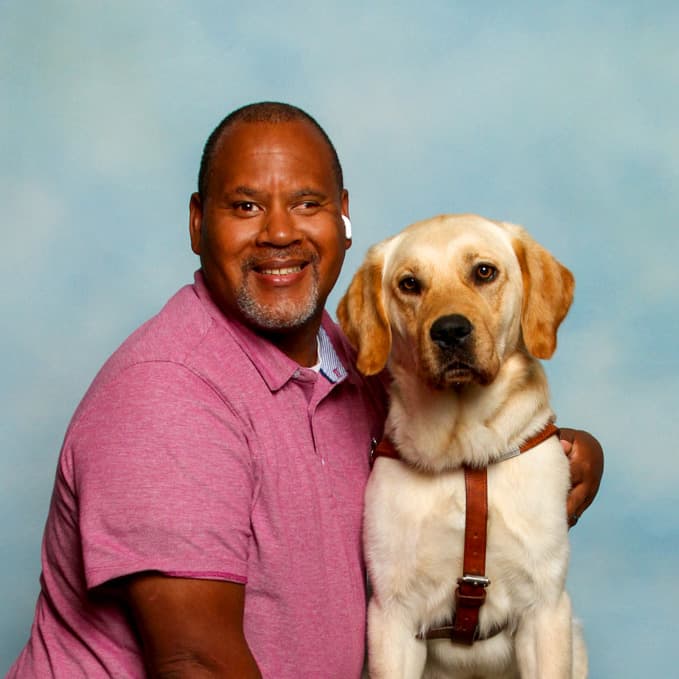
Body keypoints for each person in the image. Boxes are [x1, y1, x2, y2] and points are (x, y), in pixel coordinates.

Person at [8, 102, 603, 679]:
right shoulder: (166, 399)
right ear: (196, 223)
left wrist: (563, 453)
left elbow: (450, 451)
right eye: (245, 206)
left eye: (307, 203)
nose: (279, 232)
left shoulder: (353, 360)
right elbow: (196, 665)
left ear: (342, 218)